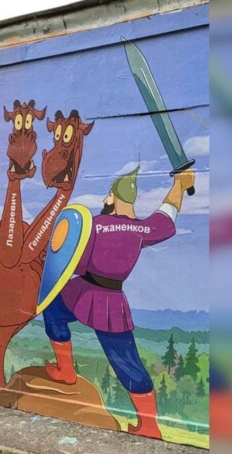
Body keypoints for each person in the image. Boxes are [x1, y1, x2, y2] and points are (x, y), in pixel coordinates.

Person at [43, 166, 195, 439]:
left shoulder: (94, 225)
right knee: (127, 361)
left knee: (53, 309)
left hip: (85, 292)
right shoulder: (142, 229)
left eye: (108, 194)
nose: (105, 198)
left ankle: (66, 370)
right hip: (110, 300)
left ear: (112, 197)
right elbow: (166, 215)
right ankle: (149, 424)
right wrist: (179, 186)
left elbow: (73, 261)